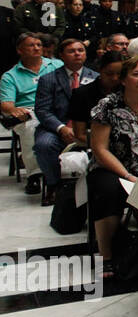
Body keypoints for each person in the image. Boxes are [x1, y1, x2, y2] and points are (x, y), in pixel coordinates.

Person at [87, 55, 138, 277]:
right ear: (123, 79)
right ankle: (106, 256)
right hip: (112, 168)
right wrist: (128, 176)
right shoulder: (107, 105)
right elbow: (100, 149)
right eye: (136, 74)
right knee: (108, 191)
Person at [33, 38, 96, 202]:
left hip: (89, 128)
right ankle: (54, 185)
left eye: (80, 50)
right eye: (72, 51)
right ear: (61, 55)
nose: (77, 54)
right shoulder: (48, 79)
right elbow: (42, 110)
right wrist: (61, 128)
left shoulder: (97, 78)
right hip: (57, 128)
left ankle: (96, 185)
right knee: (44, 145)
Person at [2, 32, 63, 194]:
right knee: (32, 127)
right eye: (31, 45)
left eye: (39, 45)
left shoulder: (56, 65)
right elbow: (6, 104)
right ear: (19, 50)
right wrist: (14, 110)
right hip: (29, 111)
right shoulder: (10, 76)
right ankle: (35, 175)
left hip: (56, 107)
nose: (36, 48)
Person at [68, 50, 124, 144]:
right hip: (94, 144)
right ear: (100, 70)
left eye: (119, 74)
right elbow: (80, 134)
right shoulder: (81, 94)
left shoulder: (128, 91)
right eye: (109, 74)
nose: (115, 78)